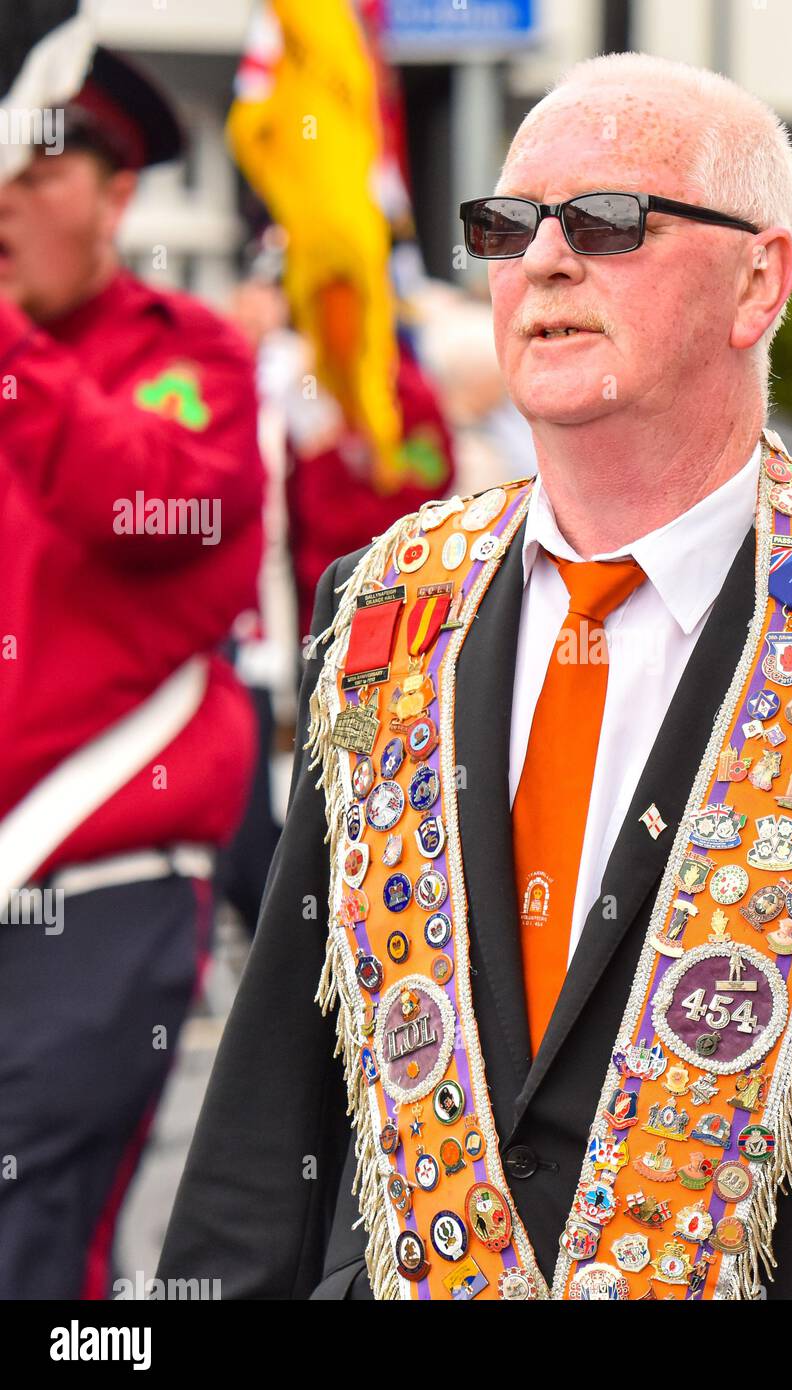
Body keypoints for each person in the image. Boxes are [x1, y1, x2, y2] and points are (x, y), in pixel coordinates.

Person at [160, 52, 792, 1301]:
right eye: (507, 226)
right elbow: (276, 1077)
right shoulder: (385, 609)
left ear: (757, 282)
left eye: (610, 221)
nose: (545, 260)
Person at [0, 46, 262, 1297]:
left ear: (114, 196)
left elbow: (160, 507)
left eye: (35, 168)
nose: (1, 196)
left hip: (92, 887)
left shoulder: (192, 356)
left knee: (32, 1240)